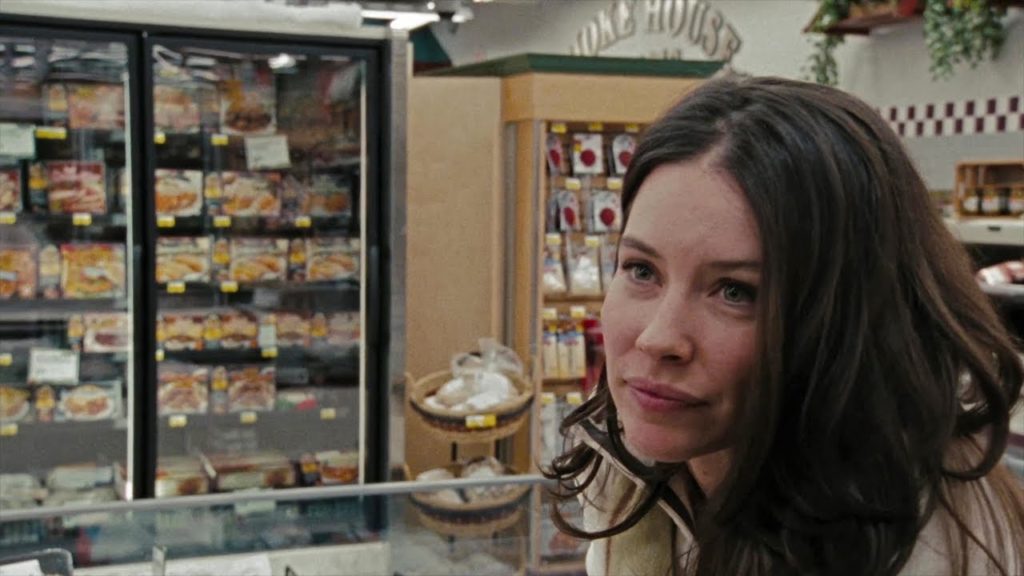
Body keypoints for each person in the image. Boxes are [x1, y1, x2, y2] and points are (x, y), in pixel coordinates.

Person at [545, 75, 1024, 576]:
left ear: (848, 321)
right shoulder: (631, 467)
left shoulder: (923, 550)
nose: (657, 338)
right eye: (642, 270)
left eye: (736, 292)